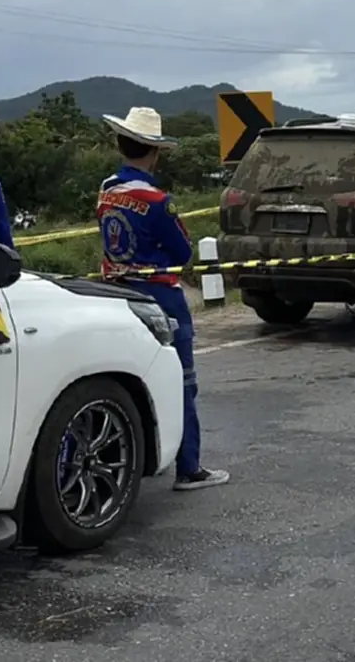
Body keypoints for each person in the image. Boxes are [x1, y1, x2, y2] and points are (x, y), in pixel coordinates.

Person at [96, 106, 229, 492]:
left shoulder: (107, 190)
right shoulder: (156, 199)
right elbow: (182, 253)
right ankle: (189, 467)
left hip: (116, 292)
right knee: (181, 381)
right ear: (153, 152)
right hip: (158, 297)